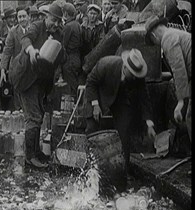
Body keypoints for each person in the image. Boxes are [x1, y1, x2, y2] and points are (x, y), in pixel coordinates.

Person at [85, 48, 156, 189]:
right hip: (99, 96)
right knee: (92, 130)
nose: (135, 77)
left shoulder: (137, 76)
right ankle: (90, 171)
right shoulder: (106, 64)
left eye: (137, 75)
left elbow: (144, 98)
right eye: (133, 74)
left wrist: (149, 123)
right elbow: (90, 82)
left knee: (124, 133)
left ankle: (123, 173)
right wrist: (95, 105)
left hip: (120, 99)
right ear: (125, 67)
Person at [13, 2, 65, 168]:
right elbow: (25, 39)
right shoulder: (36, 26)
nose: (55, 25)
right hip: (25, 77)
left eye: (59, 22)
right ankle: (29, 157)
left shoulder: (58, 34)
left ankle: (36, 151)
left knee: (40, 115)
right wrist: (31, 51)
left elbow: (60, 56)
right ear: (47, 16)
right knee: (33, 117)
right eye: (53, 20)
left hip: (40, 80)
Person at [145, 15, 191, 142]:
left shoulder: (168, 39)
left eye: (153, 42)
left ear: (154, 36)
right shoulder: (175, 33)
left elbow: (179, 69)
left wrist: (180, 101)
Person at [0, 5, 31, 111]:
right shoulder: (13, 32)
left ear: (28, 17)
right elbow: (7, 51)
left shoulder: (33, 29)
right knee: (18, 99)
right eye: (20, 17)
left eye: (24, 16)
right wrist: (3, 69)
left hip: (31, 69)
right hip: (17, 70)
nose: (22, 19)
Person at [61, 2, 82, 96]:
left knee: (71, 87)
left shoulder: (68, 26)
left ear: (65, 13)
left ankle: (74, 106)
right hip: (77, 58)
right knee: (74, 83)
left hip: (69, 60)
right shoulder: (77, 24)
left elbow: (63, 45)